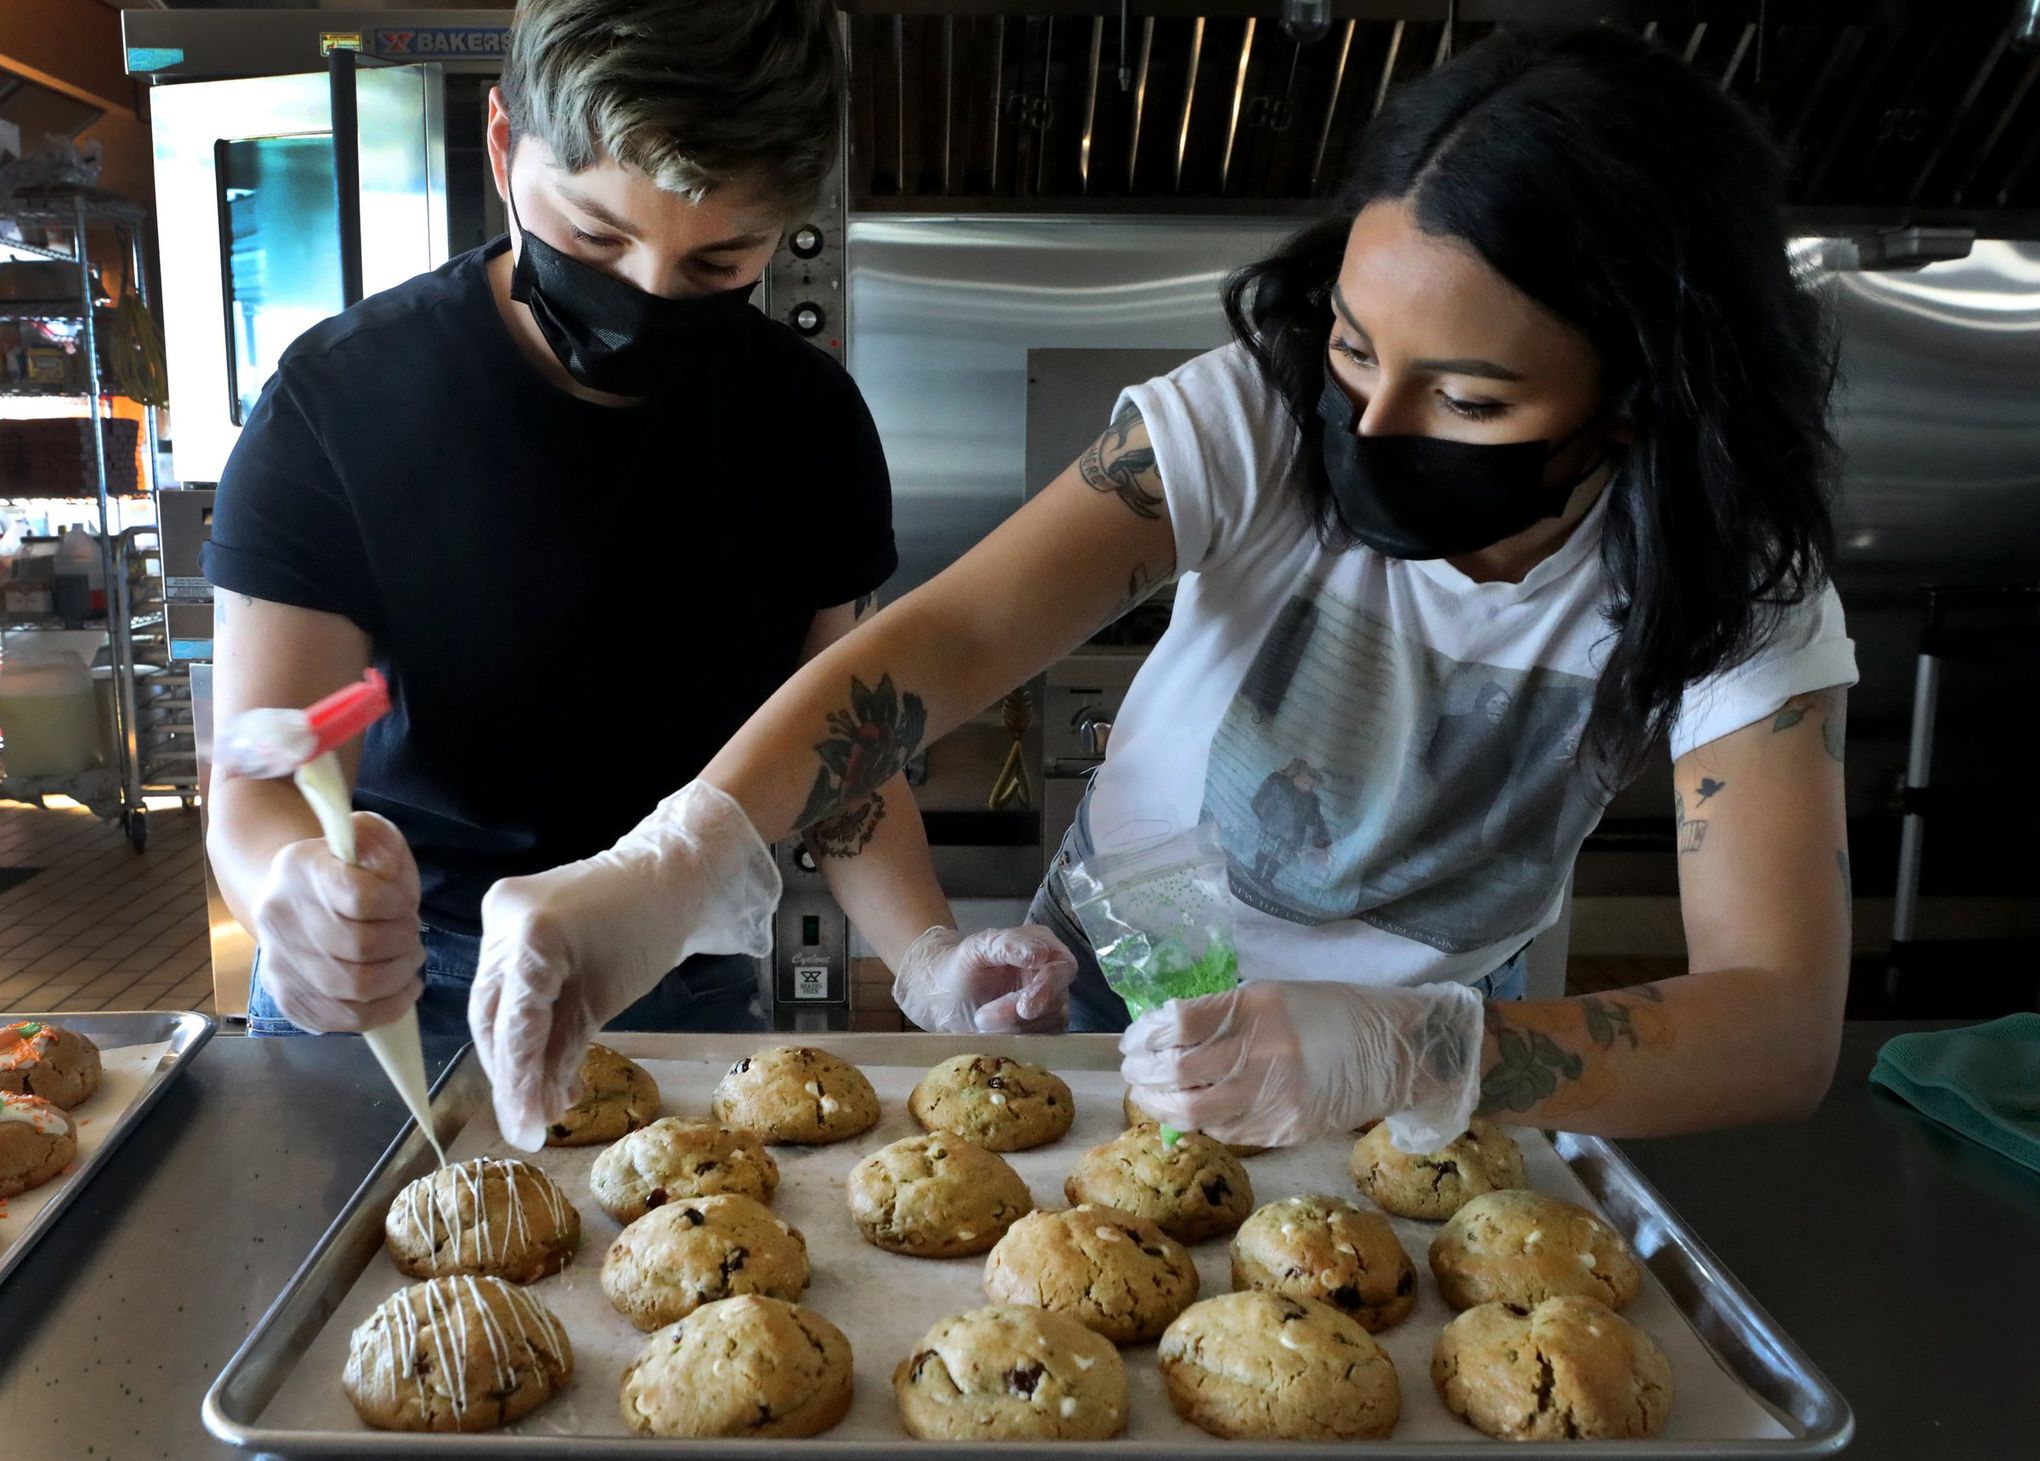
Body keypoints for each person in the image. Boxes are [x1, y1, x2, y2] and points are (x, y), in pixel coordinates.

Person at [475, 26, 1855, 1153]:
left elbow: (1779, 1025)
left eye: (1470, 397)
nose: (1370, 430)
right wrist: (674, 863)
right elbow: (948, 640)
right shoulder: (1255, 416)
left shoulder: (1732, 575)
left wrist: (1419, 1051)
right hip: (1104, 1005)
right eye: (1358, 352)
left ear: (1642, 401)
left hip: (1437, 1077)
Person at [202, 0, 1074, 1098]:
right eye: (594, 238)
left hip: (678, 969)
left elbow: (842, 747)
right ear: (504, 144)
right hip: (400, 975)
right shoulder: (340, 406)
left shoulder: (805, 425)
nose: (645, 302)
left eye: (718, 265)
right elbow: (260, 778)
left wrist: (930, 959)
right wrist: (293, 888)